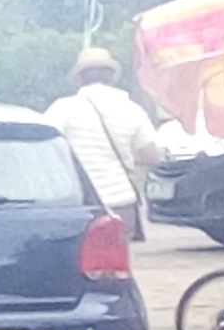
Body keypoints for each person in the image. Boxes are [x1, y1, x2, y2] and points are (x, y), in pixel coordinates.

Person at [46, 48, 162, 240]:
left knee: (80, 255)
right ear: (112, 77)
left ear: (79, 78)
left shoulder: (63, 109)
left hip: (80, 202)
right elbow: (152, 156)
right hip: (121, 201)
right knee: (117, 255)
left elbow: (45, 148)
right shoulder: (131, 109)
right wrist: (127, 157)